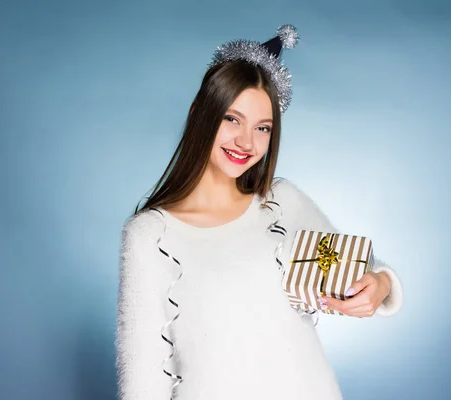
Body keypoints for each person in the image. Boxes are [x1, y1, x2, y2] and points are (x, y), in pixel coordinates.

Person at [116, 25, 403, 400]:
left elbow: (359, 270)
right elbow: (143, 379)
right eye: (231, 119)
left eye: (262, 127)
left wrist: (380, 285)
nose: (245, 142)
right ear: (200, 113)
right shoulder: (149, 235)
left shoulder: (281, 203)